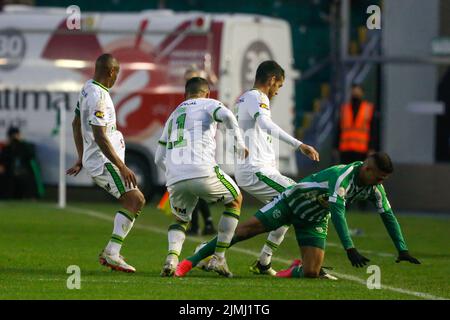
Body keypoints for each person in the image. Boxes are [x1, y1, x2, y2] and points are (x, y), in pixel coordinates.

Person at [175, 152, 420, 278]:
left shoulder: (375, 188)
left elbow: (388, 216)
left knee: (312, 272)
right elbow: (338, 213)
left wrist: (403, 249)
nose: (380, 182)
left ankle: (293, 269)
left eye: (384, 179)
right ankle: (190, 261)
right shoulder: (342, 177)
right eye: (379, 177)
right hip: (292, 203)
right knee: (242, 232)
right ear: (367, 169)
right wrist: (349, 248)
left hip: (313, 219)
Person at [155, 77, 248, 277]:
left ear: (185, 94)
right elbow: (228, 117)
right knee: (236, 200)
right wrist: (239, 143)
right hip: (202, 171)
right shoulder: (210, 104)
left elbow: (157, 158)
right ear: (206, 93)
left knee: (180, 218)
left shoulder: (174, 114)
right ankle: (219, 258)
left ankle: (172, 258)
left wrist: (174, 173)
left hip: (175, 176)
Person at [233, 60, 320, 275]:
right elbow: (265, 125)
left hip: (256, 168)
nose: (277, 91)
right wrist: (299, 145)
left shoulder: (244, 98)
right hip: (256, 169)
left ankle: (264, 261)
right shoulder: (257, 97)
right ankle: (214, 251)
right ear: (272, 80)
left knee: (288, 209)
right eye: (279, 86)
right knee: (296, 197)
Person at [67, 53, 146, 273]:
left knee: (136, 201)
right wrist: (121, 166)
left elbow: (75, 124)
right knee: (135, 200)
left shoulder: (87, 88)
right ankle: (112, 253)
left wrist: (81, 157)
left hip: (97, 159)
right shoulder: (99, 97)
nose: (116, 78)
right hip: (104, 162)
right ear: (111, 71)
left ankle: (112, 252)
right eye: (117, 73)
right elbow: (100, 136)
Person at [335, 84, 379, 164]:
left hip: (362, 150)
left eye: (358, 91)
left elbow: (373, 130)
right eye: (354, 90)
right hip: (345, 149)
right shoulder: (345, 108)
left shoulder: (368, 109)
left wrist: (372, 148)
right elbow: (339, 128)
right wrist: (335, 146)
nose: (355, 93)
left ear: (363, 93)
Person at [0, 126, 44, 199]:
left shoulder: (25, 146)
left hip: (24, 172)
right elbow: (3, 160)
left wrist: (22, 141)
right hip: (10, 172)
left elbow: (31, 155)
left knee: (29, 178)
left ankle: (31, 196)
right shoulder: (6, 148)